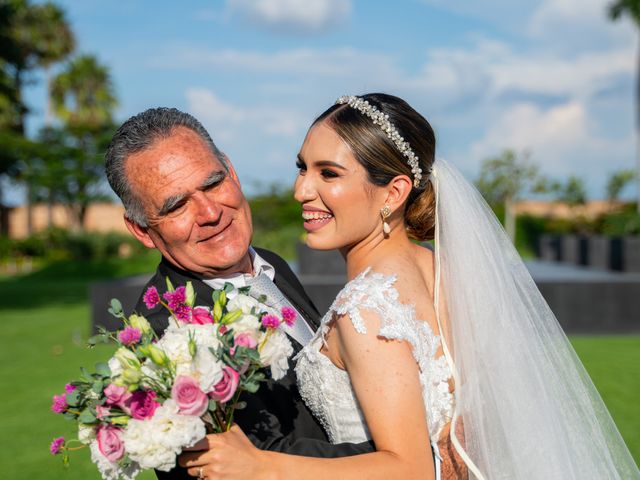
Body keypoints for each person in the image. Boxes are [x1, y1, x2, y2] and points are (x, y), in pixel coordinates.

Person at [179, 93, 640, 480]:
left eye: (329, 174)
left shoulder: (367, 309)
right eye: (303, 168)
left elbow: (410, 467)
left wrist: (263, 466)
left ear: (394, 193)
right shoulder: (442, 271)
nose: (302, 190)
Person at [104, 107, 375, 480]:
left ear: (231, 171)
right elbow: (258, 461)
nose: (210, 212)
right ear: (141, 231)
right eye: (176, 205)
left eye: (213, 183)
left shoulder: (270, 264)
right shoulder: (165, 340)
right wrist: (405, 455)